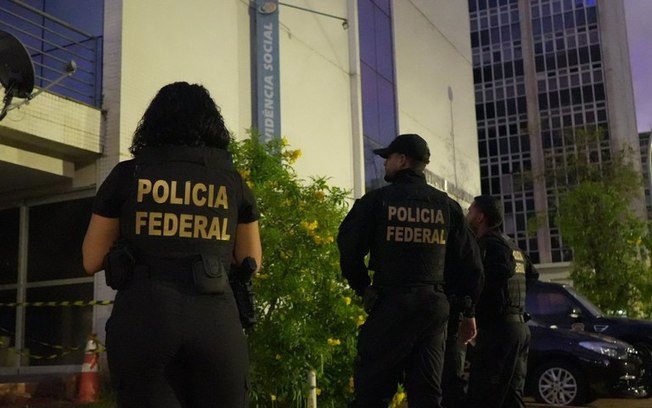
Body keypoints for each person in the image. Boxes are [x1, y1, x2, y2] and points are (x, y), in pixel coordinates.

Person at [82, 82, 262, 408]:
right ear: (212, 126)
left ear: (153, 124)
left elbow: (91, 259)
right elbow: (251, 260)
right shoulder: (232, 182)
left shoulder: (127, 175)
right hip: (216, 321)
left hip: (143, 319)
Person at [337, 134, 484, 408]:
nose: (385, 163)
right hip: (432, 310)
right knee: (427, 396)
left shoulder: (378, 201)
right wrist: (464, 309)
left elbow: (348, 247)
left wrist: (363, 287)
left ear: (402, 160)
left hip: (390, 305)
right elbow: (471, 265)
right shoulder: (447, 206)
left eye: (388, 158)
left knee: (372, 395)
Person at [465, 195, 538, 408]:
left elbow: (486, 278)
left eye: (471, 210)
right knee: (511, 399)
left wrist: (477, 308)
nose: (468, 214)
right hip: (518, 329)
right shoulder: (512, 246)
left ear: (480, 217)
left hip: (498, 332)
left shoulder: (486, 245)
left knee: (483, 397)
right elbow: (532, 275)